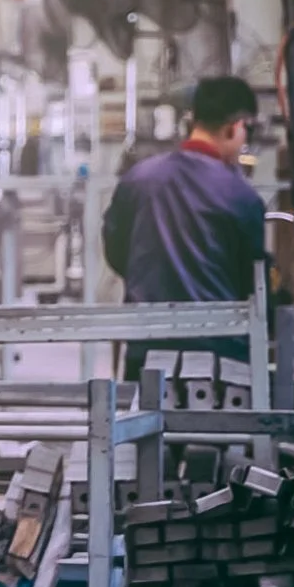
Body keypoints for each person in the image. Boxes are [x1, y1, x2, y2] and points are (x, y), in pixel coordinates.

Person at [102, 76, 267, 381]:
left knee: (144, 426)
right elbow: (253, 281)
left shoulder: (138, 179)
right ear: (236, 126)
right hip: (221, 359)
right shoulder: (241, 196)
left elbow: (115, 251)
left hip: (146, 348)